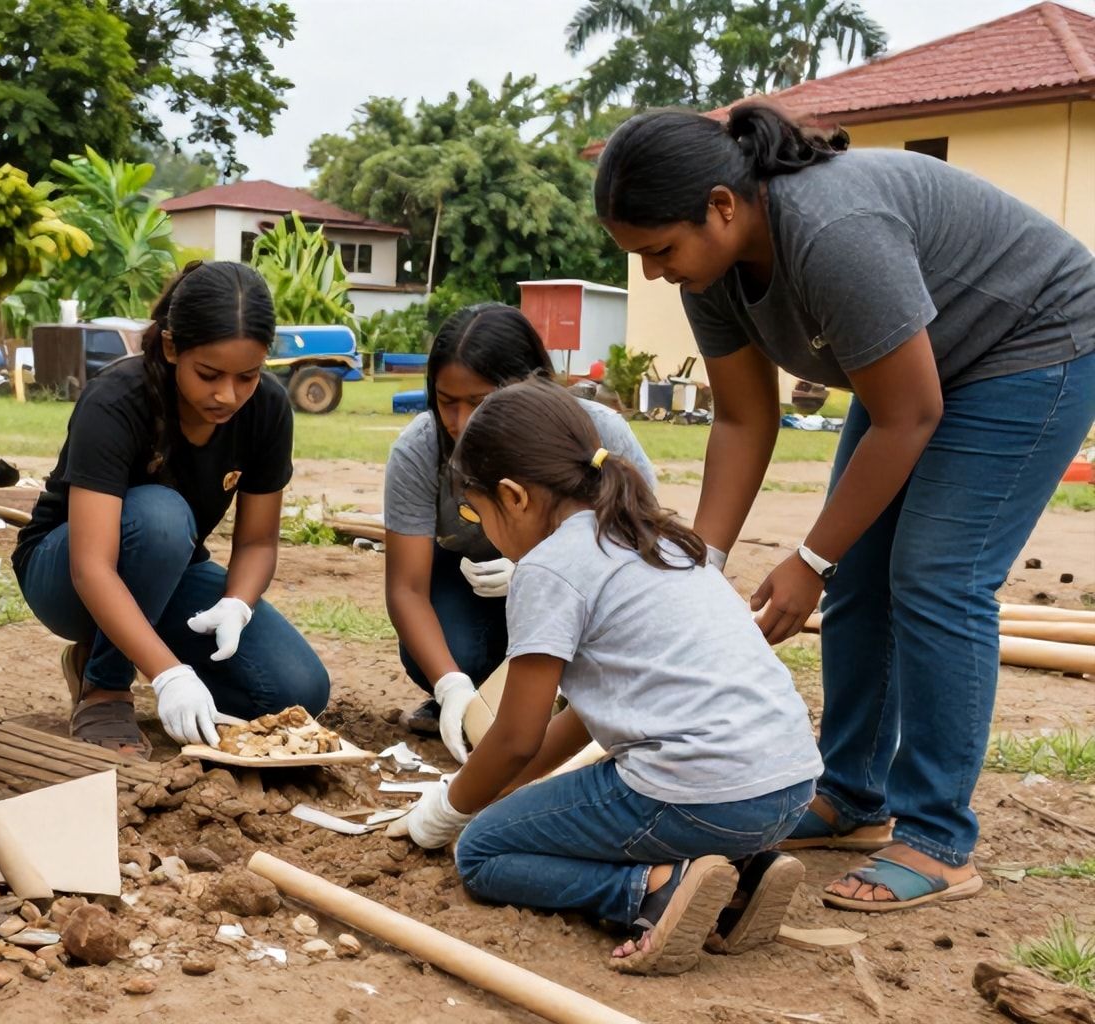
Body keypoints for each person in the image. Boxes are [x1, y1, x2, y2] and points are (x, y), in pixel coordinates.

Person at [595, 104, 1095, 913]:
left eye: (659, 250)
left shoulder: (833, 229)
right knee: (862, 572)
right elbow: (742, 417)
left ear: (723, 206)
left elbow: (910, 415)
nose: (652, 272)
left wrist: (810, 561)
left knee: (936, 576)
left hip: (1030, 344)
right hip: (921, 370)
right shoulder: (710, 268)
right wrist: (697, 566)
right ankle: (852, 797)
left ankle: (937, 838)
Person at [388, 378, 821, 976]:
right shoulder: (655, 535)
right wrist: (514, 790)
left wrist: (449, 808)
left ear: (512, 497)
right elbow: (584, 713)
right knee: (517, 815)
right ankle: (744, 877)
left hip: (698, 794)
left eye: (476, 510)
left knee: (483, 850)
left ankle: (656, 890)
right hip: (787, 790)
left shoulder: (549, 567)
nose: (480, 526)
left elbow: (515, 736)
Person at [13, 262, 330, 756]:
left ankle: (114, 654)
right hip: (66, 575)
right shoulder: (118, 399)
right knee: (161, 516)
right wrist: (168, 675)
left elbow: (257, 541)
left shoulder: (266, 409)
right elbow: (91, 567)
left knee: (295, 691)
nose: (228, 395)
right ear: (171, 347)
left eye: (247, 376)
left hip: (168, 571)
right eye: (209, 375)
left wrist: (237, 605)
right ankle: (105, 687)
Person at [384, 304, 655, 761]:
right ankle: (474, 701)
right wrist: (451, 685)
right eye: (448, 402)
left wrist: (542, 570)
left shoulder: (599, 432)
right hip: (465, 581)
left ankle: (556, 708)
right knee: (456, 658)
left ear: (533, 385)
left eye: (482, 401)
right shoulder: (420, 450)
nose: (463, 422)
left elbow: (644, 549)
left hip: (582, 583)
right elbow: (406, 588)